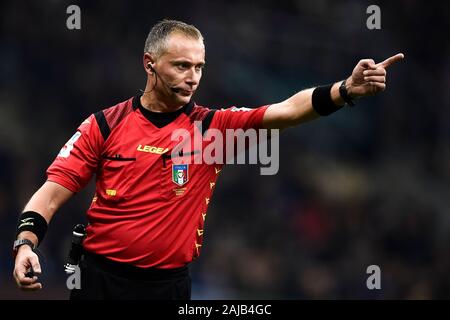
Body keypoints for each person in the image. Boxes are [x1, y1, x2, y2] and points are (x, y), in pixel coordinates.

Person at [12, 19, 404, 299]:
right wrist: (26, 243)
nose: (193, 77)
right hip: (100, 280)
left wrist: (345, 90)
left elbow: (286, 110)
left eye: (198, 67)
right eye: (181, 66)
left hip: (168, 286)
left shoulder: (212, 129)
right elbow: (51, 193)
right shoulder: (104, 124)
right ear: (149, 64)